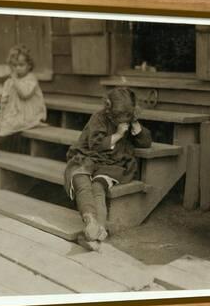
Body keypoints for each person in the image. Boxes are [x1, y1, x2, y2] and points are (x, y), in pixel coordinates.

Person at [64, 87, 152, 251]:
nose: (123, 120)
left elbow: (146, 143)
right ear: (109, 109)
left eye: (128, 115)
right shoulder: (99, 118)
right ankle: (90, 218)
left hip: (112, 163)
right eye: (120, 117)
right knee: (80, 179)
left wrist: (137, 129)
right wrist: (118, 135)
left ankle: (99, 228)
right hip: (89, 155)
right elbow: (95, 145)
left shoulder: (129, 119)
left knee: (98, 187)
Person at [0, 45, 47, 155]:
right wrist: (2, 109)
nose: (17, 68)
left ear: (29, 66)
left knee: (11, 123)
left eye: (21, 65)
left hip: (29, 112)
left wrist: (14, 80)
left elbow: (25, 94)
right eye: (14, 65)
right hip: (14, 109)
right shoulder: (10, 81)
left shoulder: (31, 79)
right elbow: (5, 97)